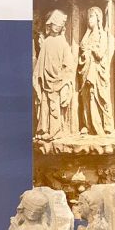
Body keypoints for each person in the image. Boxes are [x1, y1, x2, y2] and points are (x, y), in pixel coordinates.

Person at [33, 10, 75, 140]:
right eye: (54, 24)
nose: (56, 27)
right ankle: (43, 130)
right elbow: (40, 62)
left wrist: (64, 79)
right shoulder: (46, 42)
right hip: (45, 79)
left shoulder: (63, 43)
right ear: (49, 25)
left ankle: (55, 131)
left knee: (54, 106)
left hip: (58, 80)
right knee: (44, 104)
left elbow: (68, 64)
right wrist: (38, 77)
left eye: (59, 24)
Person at [77, 7, 113, 135]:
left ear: (98, 18)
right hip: (86, 69)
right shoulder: (89, 34)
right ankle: (87, 124)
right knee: (86, 96)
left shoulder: (102, 35)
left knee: (98, 95)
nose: (89, 20)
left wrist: (91, 49)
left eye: (91, 17)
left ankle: (103, 124)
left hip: (97, 70)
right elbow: (81, 46)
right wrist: (87, 31)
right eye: (88, 18)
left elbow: (100, 54)